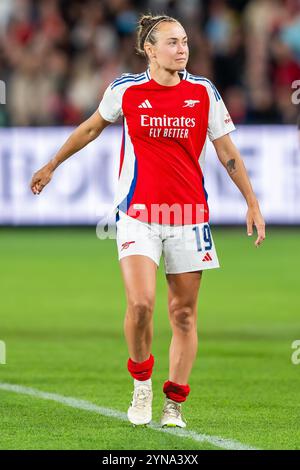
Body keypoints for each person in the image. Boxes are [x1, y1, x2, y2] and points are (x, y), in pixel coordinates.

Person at [30, 13, 266, 429]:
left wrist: (252, 201)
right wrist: (52, 164)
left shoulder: (203, 92)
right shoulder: (126, 90)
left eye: (186, 42)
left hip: (189, 216)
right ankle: (141, 384)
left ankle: (174, 402)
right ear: (150, 49)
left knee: (184, 315)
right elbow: (90, 129)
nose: (183, 49)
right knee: (140, 305)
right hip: (138, 214)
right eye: (173, 42)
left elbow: (227, 151)